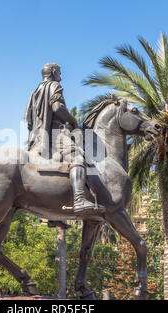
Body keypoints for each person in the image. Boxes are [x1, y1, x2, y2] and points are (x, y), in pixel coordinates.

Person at [24, 62, 105, 215]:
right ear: (53, 72)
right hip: (55, 134)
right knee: (78, 158)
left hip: (37, 137)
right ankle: (79, 199)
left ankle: (57, 217)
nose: (61, 75)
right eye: (59, 72)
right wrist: (73, 121)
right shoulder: (54, 85)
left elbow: (28, 119)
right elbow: (57, 107)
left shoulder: (35, 92)